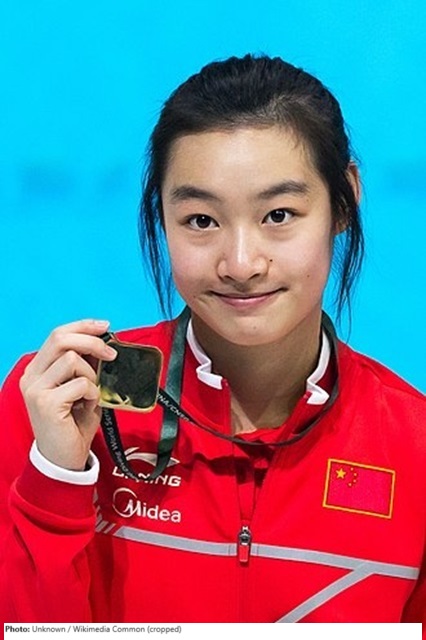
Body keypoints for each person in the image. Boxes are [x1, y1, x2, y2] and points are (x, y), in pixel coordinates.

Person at [0, 54, 425, 625]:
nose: (241, 263)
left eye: (279, 214)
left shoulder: (414, 446)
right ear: (161, 215)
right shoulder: (59, 405)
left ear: (344, 199)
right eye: (201, 220)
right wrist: (57, 479)